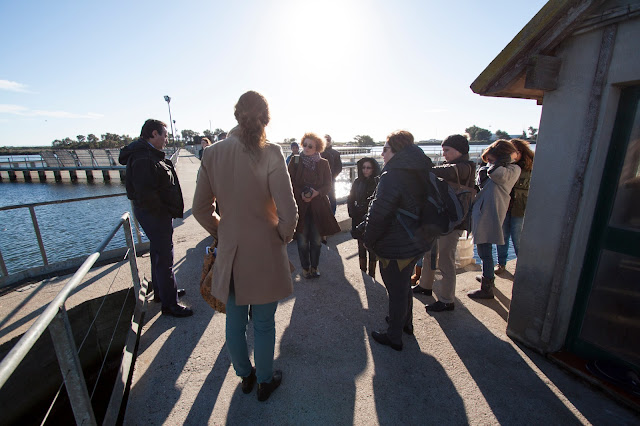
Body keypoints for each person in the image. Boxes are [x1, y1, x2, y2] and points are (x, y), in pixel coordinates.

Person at [192, 91, 298, 401]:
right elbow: (289, 211)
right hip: (265, 250)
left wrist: (221, 232)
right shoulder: (273, 152)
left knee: (234, 322)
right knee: (264, 324)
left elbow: (200, 208)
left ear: (236, 115)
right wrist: (283, 236)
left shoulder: (211, 154)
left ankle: (245, 376)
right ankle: (265, 381)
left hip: (232, 250)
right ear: (266, 118)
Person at [362, 130, 434, 351]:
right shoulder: (419, 169)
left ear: (396, 151)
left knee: (396, 290)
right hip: (416, 240)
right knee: (403, 286)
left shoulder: (393, 175)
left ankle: (394, 336)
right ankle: (404, 323)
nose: (382, 154)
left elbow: (380, 213)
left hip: (396, 243)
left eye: (385, 149)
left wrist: (368, 239)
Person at [118, 119, 191, 317]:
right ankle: (170, 304)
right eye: (164, 135)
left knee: (158, 254)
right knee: (165, 257)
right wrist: (164, 212)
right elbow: (146, 193)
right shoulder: (143, 157)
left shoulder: (146, 154)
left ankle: (162, 293)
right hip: (155, 215)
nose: (166, 139)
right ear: (153, 134)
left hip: (153, 214)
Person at [413, 135, 476, 312]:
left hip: (454, 221)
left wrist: (422, 164)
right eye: (443, 150)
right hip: (441, 218)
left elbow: (442, 172)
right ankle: (425, 285)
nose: (444, 154)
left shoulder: (466, 167)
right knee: (429, 253)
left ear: (460, 150)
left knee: (446, 260)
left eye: (447, 150)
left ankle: (447, 299)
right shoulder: (458, 167)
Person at [468, 139, 521, 299]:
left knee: (484, 251)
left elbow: (496, 174)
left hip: (489, 214)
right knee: (485, 250)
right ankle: (487, 275)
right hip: (485, 212)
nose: (489, 164)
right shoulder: (502, 168)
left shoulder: (511, 169)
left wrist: (500, 161)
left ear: (500, 157)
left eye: (491, 160)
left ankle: (487, 287)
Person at [288, 132, 341, 278]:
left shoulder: (323, 163)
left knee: (317, 241)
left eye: (310, 146)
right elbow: (289, 181)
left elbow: (328, 184)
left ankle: (315, 267)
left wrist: (316, 193)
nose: (306, 148)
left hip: (319, 207)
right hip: (301, 206)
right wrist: (302, 194)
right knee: (302, 241)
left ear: (317, 147)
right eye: (304, 144)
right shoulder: (295, 160)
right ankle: (305, 268)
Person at [494, 138, 535, 274]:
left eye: (516, 152)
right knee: (502, 237)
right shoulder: (504, 167)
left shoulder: (530, 168)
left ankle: (522, 267)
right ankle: (501, 264)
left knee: (518, 238)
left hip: (520, 207)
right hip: (504, 206)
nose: (513, 155)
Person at [347, 157, 381, 277]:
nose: (365, 170)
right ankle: (363, 272)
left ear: (373, 169)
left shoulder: (378, 182)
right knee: (361, 245)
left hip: (371, 218)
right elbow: (350, 198)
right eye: (364, 168)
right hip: (357, 216)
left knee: (372, 247)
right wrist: (352, 212)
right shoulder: (357, 182)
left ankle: (372, 274)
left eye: (368, 168)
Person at [320, 134, 342, 214]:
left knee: (332, 197)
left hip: (331, 179)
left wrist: (332, 176)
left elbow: (339, 167)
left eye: (328, 140)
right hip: (320, 179)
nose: (327, 141)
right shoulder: (319, 152)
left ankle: (332, 214)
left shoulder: (335, 153)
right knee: (321, 196)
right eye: (325, 139)